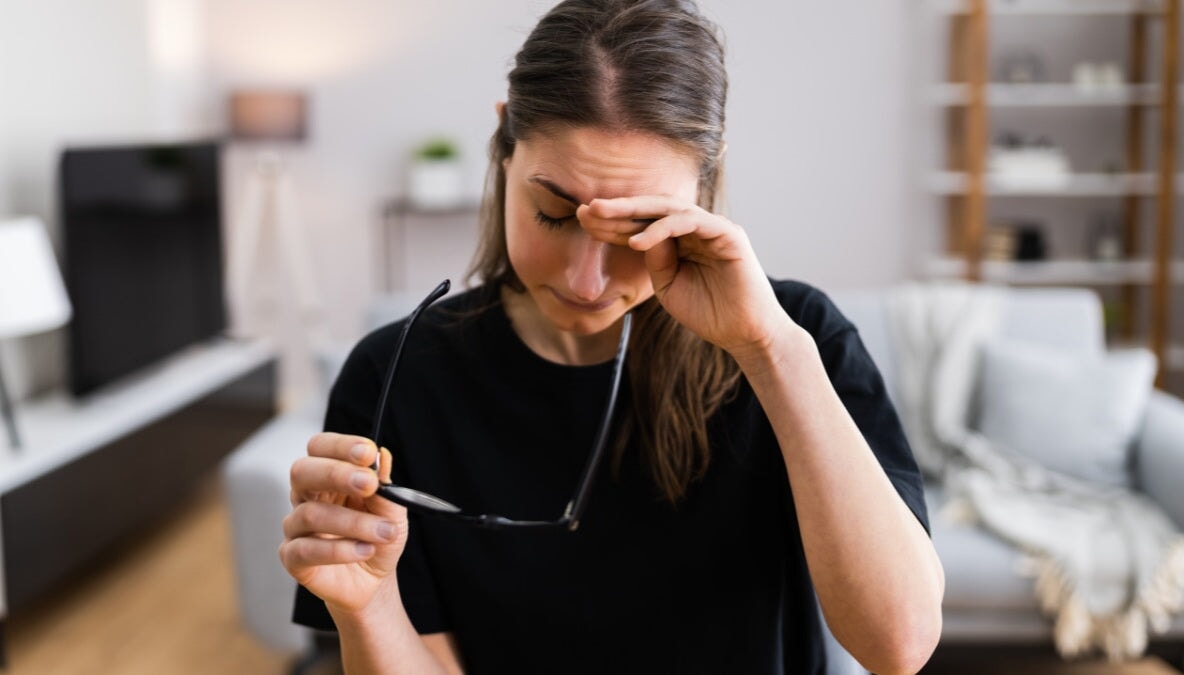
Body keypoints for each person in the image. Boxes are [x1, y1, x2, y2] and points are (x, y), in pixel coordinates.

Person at [281, 0, 944, 672]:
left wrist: (770, 350)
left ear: (703, 186)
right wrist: (368, 605)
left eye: (632, 230)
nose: (587, 280)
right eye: (552, 213)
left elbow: (899, 644)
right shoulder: (397, 373)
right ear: (504, 143)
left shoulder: (797, 340)